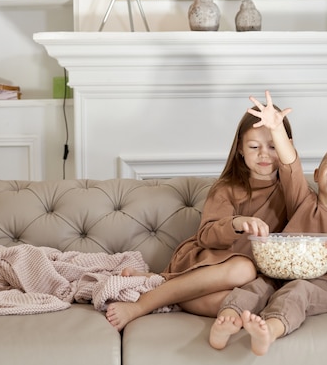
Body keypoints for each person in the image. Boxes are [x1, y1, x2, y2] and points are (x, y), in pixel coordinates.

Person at [209, 91, 327, 355]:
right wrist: (275, 129)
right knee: (254, 287)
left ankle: (269, 331)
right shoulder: (301, 200)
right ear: (317, 174)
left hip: (320, 284)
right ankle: (226, 322)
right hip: (278, 275)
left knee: (298, 291)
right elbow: (290, 164)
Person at [105, 105, 294, 331]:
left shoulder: (292, 192)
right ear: (241, 149)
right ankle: (143, 304)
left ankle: (162, 283)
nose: (264, 154)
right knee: (244, 269)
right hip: (210, 260)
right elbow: (207, 236)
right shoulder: (227, 188)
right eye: (254, 146)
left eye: (273, 146)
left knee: (247, 305)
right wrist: (237, 223)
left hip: (251, 281)